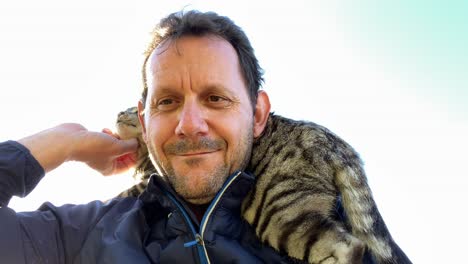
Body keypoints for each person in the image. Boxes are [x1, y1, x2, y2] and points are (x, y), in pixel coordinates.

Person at [0, 10, 375, 263]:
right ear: (144, 125)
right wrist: (66, 141)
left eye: (216, 99)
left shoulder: (318, 219)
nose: (190, 124)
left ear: (259, 115)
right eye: (167, 101)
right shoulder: (85, 234)